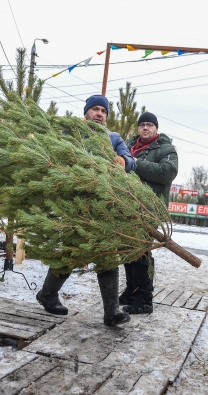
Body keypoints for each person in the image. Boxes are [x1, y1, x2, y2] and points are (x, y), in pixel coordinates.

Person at [36, 94, 134, 326]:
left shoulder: (113, 138)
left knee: (108, 253)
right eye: (95, 109)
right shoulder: (71, 134)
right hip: (76, 204)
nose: (99, 114)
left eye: (104, 111)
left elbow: (131, 162)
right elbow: (54, 156)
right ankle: (48, 294)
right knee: (72, 252)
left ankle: (112, 312)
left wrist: (120, 161)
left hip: (103, 204)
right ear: (86, 112)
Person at [121, 111, 178, 314]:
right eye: (142, 124)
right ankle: (132, 290)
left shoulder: (166, 149)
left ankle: (145, 298)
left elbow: (166, 172)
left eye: (149, 125)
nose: (145, 128)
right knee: (128, 250)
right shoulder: (129, 147)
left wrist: (134, 164)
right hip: (128, 207)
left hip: (150, 209)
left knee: (141, 252)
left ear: (156, 128)